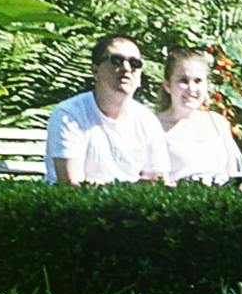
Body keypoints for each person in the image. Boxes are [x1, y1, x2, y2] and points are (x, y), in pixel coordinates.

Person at [45, 34, 169, 184]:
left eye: (135, 63)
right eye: (116, 61)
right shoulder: (69, 115)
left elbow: (157, 180)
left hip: (131, 204)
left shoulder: (147, 120)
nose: (127, 68)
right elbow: (72, 184)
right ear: (95, 71)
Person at [158, 47, 242, 186]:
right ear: (167, 85)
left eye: (198, 81)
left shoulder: (217, 122)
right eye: (183, 81)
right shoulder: (154, 125)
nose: (191, 88)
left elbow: (232, 176)